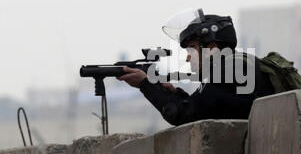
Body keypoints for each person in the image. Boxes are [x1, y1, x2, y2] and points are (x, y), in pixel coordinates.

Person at [117, 8, 291, 126]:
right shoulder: (238, 65)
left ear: (212, 50)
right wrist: (172, 93)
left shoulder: (228, 70)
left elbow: (183, 115)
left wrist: (145, 85)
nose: (187, 56)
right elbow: (200, 106)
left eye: (192, 48)